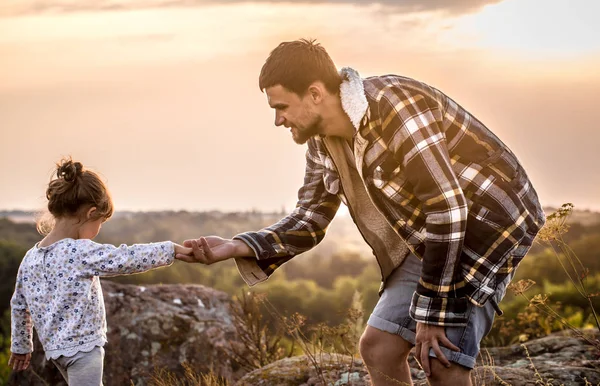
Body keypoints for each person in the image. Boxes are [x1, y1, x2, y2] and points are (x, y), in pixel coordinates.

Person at [184, 39, 546, 385]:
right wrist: (235, 246)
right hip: (427, 235)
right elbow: (309, 219)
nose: (279, 120)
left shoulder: (393, 105)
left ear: (314, 93)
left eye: (281, 107)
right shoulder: (322, 143)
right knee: (379, 347)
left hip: (485, 227)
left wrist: (434, 315)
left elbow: (448, 208)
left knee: (441, 359)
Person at [8, 158, 194, 386]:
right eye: (101, 222)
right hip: (84, 350)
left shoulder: (30, 257)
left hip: (55, 350)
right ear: (91, 213)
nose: (98, 230)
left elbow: (19, 304)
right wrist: (170, 250)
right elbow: (125, 258)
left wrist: (22, 346)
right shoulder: (79, 251)